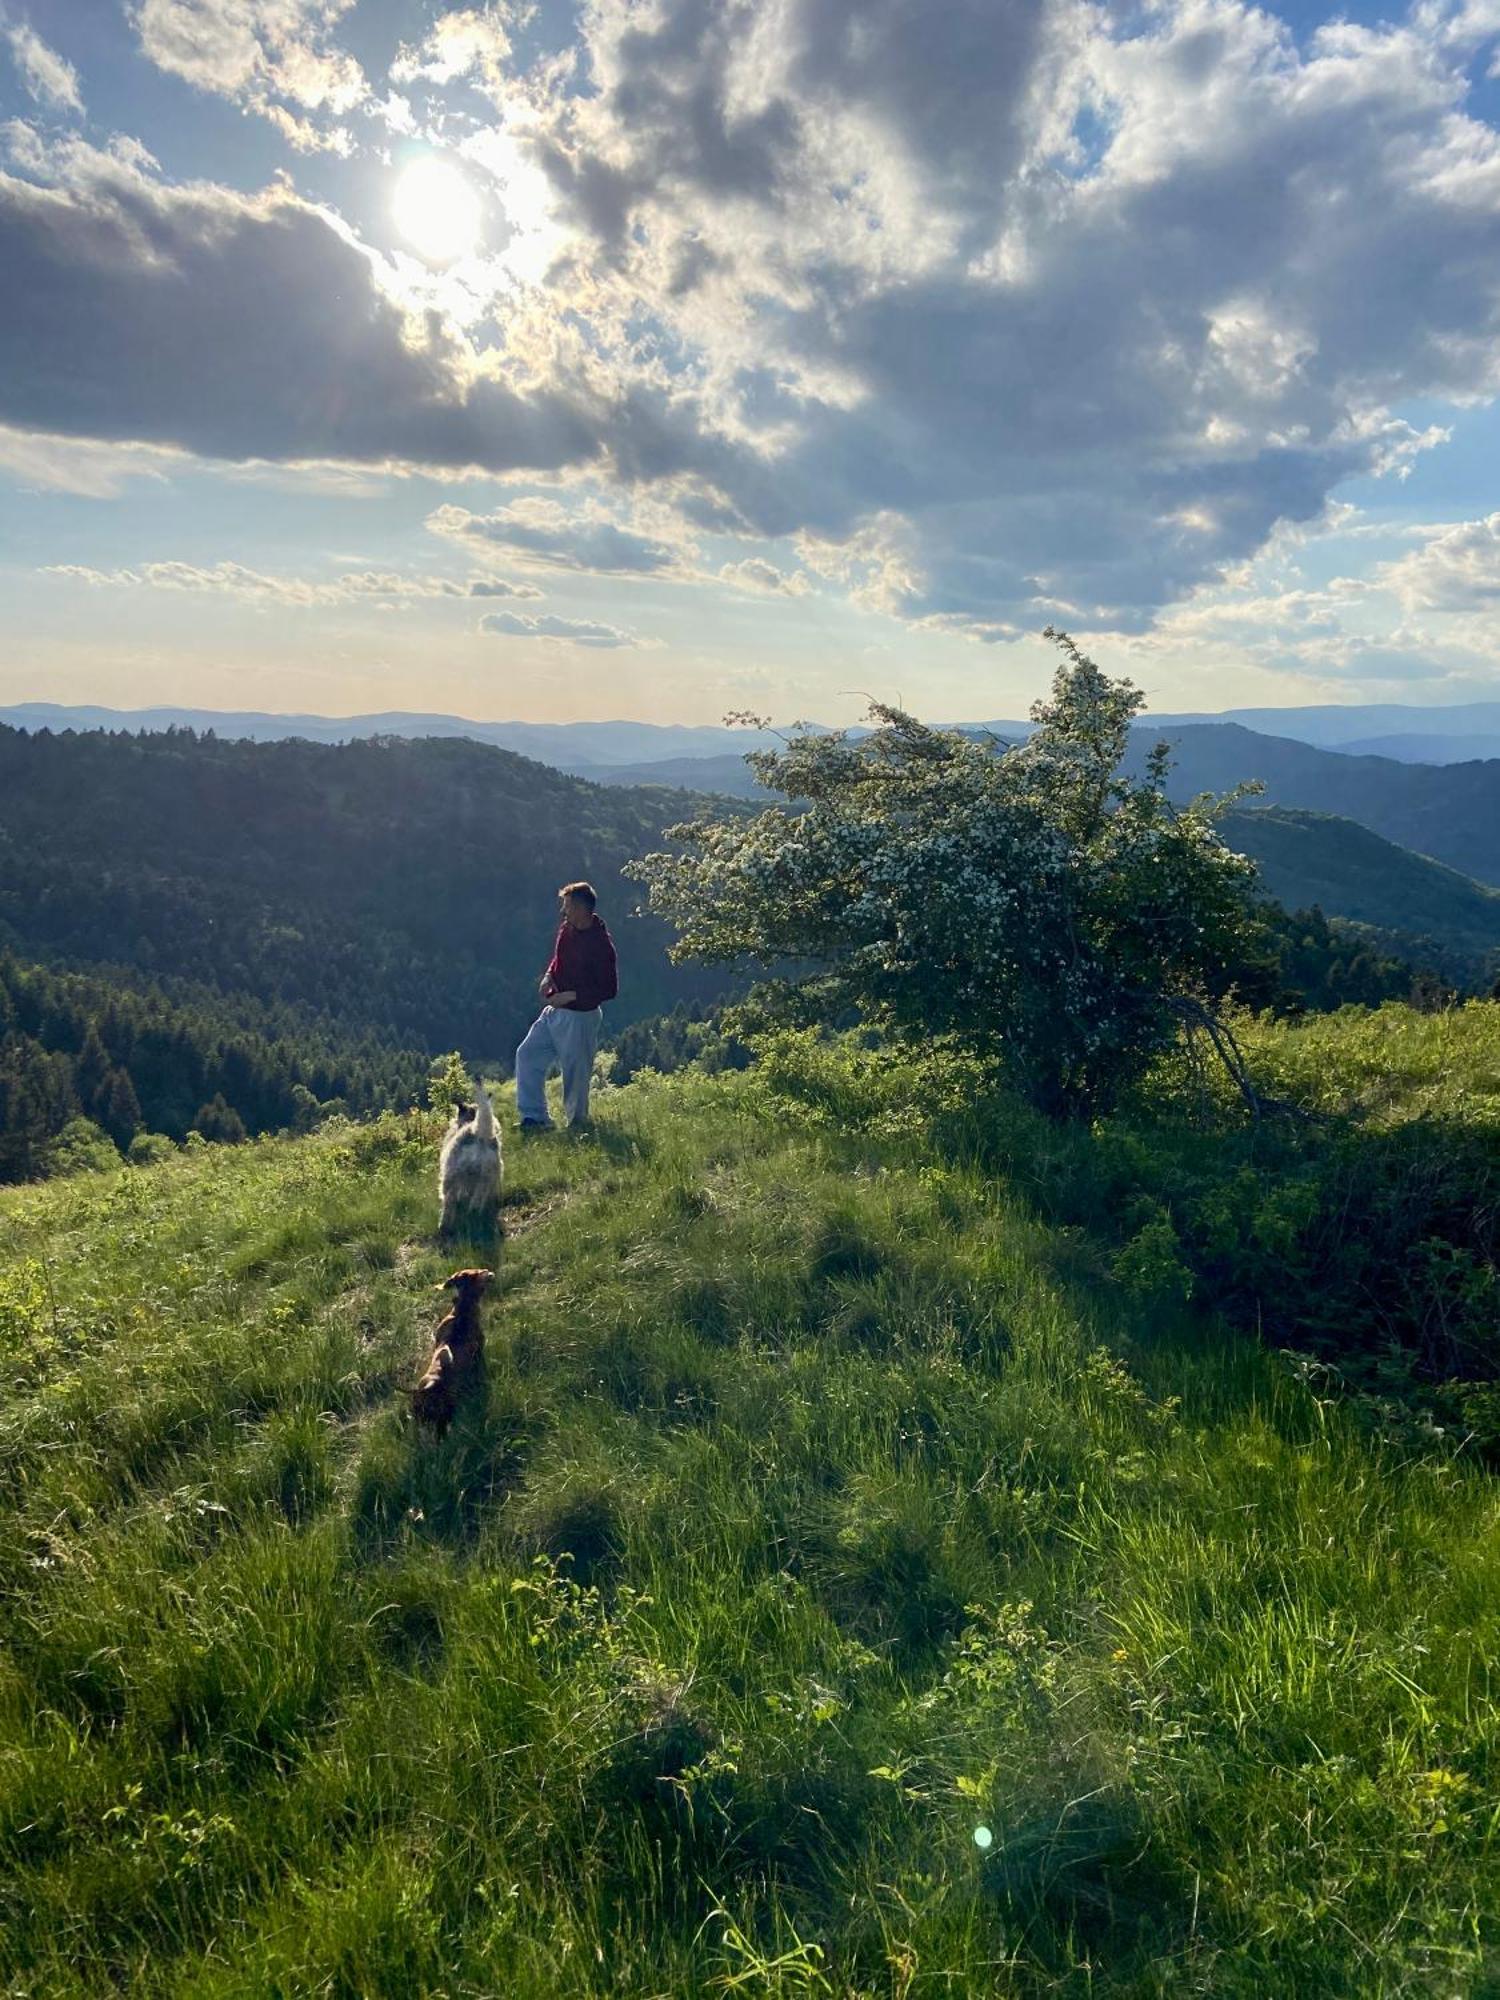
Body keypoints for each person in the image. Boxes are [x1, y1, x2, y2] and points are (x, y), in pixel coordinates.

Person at [514, 881, 618, 1130]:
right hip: (555, 1010)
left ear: (583, 909)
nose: (564, 910)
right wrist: (548, 977)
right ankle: (535, 1118)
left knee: (575, 1076)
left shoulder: (601, 945)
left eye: (568, 906)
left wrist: (570, 996)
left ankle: (578, 1127)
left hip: (580, 1017)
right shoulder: (567, 929)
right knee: (527, 1054)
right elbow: (557, 959)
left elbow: (609, 989)